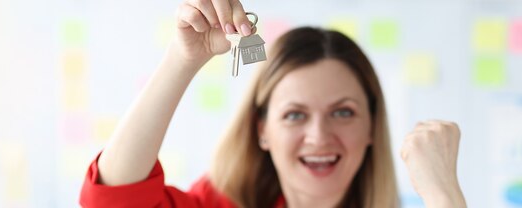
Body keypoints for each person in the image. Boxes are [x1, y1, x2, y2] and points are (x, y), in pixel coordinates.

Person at [79, 0, 467, 207]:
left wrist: (444, 197)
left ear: (371, 127)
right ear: (262, 130)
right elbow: (111, 203)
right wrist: (182, 61)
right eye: (295, 114)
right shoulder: (220, 205)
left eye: (343, 112)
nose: (318, 136)